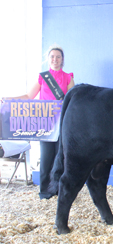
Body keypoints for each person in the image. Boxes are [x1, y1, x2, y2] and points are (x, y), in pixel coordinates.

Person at [1, 45, 75, 199]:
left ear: (62, 60)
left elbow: (72, 100)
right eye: (52, 56)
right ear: (48, 59)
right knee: (47, 157)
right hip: (46, 125)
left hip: (62, 123)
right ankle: (45, 191)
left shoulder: (68, 77)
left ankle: (60, 190)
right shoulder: (43, 77)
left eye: (58, 57)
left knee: (61, 157)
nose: (55, 59)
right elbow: (29, 96)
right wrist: (9, 99)